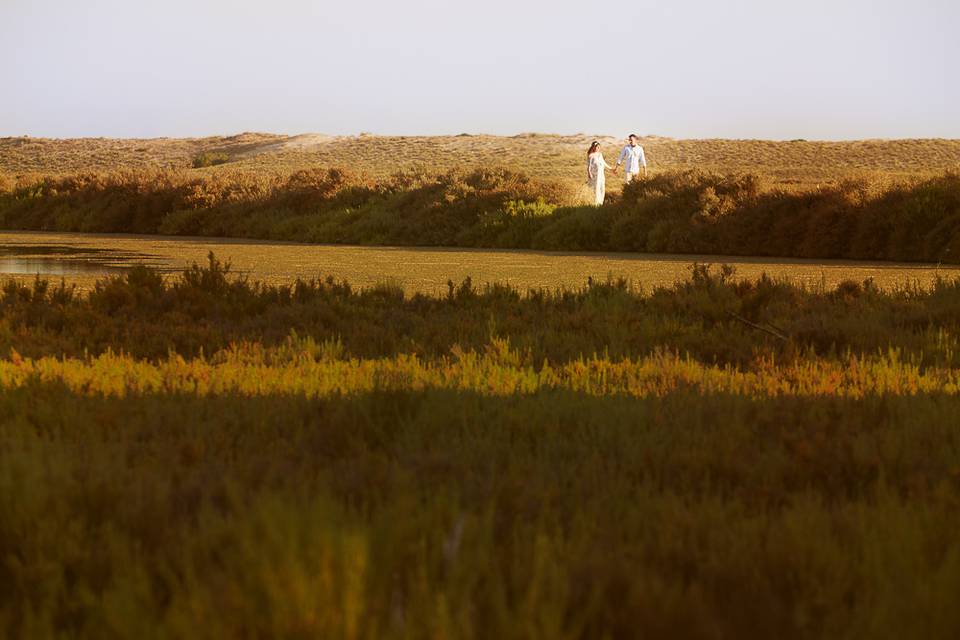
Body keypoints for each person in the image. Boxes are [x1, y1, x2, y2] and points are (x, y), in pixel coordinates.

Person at [586, 141, 612, 206]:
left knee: (602, 187)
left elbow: (604, 163)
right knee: (596, 188)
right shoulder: (591, 155)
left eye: (599, 147)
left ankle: (601, 202)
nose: (598, 148)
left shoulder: (600, 154)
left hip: (601, 174)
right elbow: (589, 166)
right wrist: (589, 173)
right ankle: (595, 203)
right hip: (595, 174)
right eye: (597, 147)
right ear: (594, 147)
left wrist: (611, 169)